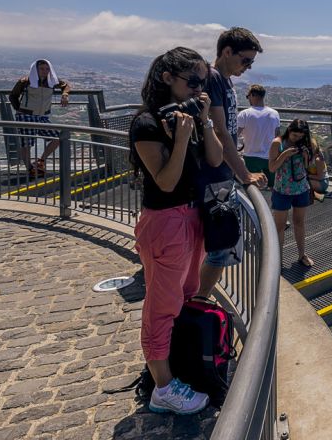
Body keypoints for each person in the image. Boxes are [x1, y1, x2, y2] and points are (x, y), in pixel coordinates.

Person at [128, 47, 223, 414]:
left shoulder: (190, 116)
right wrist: (181, 139)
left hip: (193, 217)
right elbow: (166, 182)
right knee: (161, 307)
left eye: (204, 82)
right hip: (165, 221)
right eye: (193, 81)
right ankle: (162, 387)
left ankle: (174, 365)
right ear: (168, 79)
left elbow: (214, 160)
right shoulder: (148, 123)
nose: (199, 88)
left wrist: (204, 122)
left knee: (185, 295)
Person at [198, 27, 267, 299]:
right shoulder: (214, 78)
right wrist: (244, 174)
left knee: (219, 244)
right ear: (227, 52)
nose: (248, 67)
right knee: (222, 246)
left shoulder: (224, 81)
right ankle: (199, 300)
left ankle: (197, 297)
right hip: (216, 174)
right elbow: (220, 132)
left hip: (221, 172)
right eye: (245, 60)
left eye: (251, 62)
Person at [268, 119, 325, 268]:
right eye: (294, 136)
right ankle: (277, 260)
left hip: (301, 189)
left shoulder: (308, 143)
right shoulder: (277, 143)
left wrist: (307, 156)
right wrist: (284, 155)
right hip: (282, 190)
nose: (296, 139)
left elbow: (307, 167)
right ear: (289, 131)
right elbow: (272, 168)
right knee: (279, 227)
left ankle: (302, 255)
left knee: (299, 223)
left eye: (300, 137)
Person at [8, 59, 72, 178]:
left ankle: (41, 161)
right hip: (26, 115)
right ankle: (30, 168)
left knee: (56, 138)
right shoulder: (25, 81)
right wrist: (20, 110)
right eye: (42, 68)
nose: (44, 71)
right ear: (35, 69)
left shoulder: (51, 81)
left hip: (42, 116)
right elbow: (13, 96)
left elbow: (66, 85)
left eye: (47, 69)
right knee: (27, 143)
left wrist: (65, 94)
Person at [237, 84, 280, 186]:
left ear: (253, 95)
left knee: (252, 186)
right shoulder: (274, 113)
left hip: (251, 156)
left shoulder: (244, 114)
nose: (248, 99)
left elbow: (235, 134)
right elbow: (277, 136)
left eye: (248, 97)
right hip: (270, 156)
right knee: (273, 186)